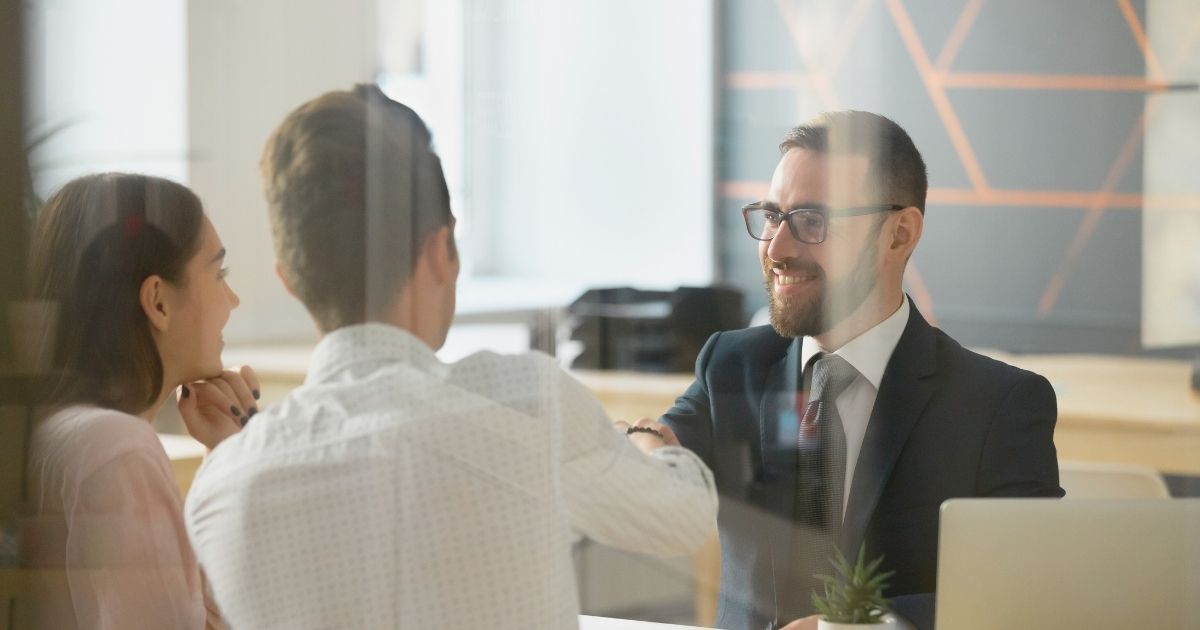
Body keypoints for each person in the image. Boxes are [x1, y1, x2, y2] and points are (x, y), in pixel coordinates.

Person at [183, 84, 718, 629]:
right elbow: (683, 518)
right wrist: (645, 441)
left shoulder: (222, 487)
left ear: (290, 281)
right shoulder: (526, 403)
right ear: (440, 251)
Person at [658, 111, 1063, 630]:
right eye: (772, 216)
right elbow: (662, 451)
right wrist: (646, 445)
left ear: (898, 235)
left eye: (811, 221)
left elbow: (1027, 591)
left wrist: (858, 627)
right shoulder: (732, 365)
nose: (776, 249)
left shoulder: (998, 405)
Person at [26, 173, 260, 629]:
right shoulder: (117, 447)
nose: (232, 300)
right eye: (219, 273)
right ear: (158, 301)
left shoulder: (62, 430)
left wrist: (224, 457)